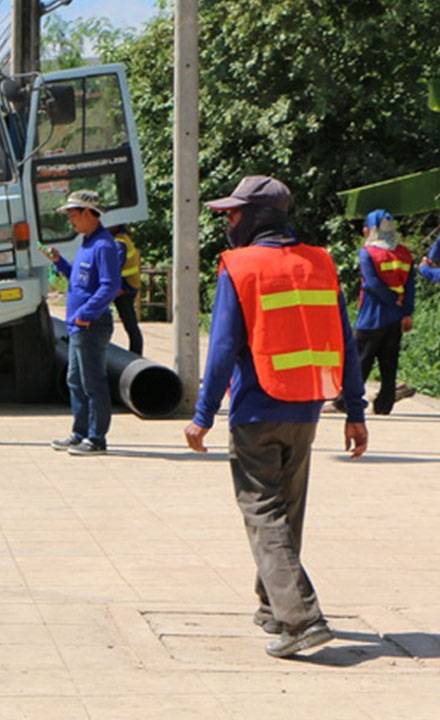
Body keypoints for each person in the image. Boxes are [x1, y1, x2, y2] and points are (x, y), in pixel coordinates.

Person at [183, 175, 368, 659]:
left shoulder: (240, 267)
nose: (227, 222)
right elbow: (345, 342)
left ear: (258, 217)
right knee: (287, 510)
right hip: (306, 409)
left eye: (233, 213)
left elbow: (223, 348)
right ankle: (272, 605)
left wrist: (202, 415)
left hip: (257, 409)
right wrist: (354, 410)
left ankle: (302, 618)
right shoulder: (321, 263)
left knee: (263, 513)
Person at [40, 189, 121, 456]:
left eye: (74, 215)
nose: (71, 221)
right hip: (78, 325)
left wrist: (85, 314)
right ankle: (80, 432)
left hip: (91, 325)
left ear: (89, 213)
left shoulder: (104, 245)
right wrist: (59, 262)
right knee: (75, 379)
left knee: (92, 381)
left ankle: (97, 438)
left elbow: (110, 286)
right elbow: (79, 279)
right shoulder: (87, 242)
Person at [334, 210, 415, 415]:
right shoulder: (405, 253)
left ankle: (346, 400)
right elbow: (411, 286)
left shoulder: (368, 252)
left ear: (370, 230)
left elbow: (370, 283)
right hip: (395, 318)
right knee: (389, 364)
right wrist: (406, 311)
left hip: (372, 316)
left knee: (361, 360)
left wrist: (389, 297)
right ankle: (384, 404)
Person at [111, 225, 144, 355]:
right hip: (126, 286)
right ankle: (136, 354)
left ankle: (136, 355)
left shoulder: (120, 242)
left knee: (130, 326)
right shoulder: (123, 239)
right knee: (130, 325)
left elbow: (114, 268)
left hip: (124, 288)